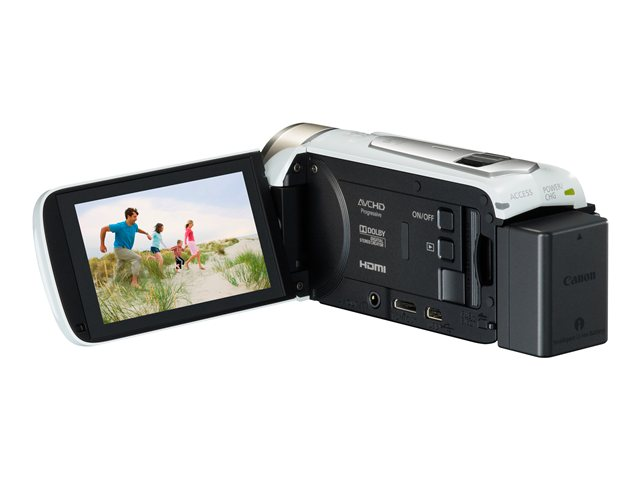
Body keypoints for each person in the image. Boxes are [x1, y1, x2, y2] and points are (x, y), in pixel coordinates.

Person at [99, 207, 152, 288]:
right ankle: (134, 282)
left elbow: (138, 229)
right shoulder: (120, 226)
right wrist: (102, 244)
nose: (136, 219)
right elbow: (103, 229)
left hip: (126, 249)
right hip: (120, 249)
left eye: (136, 217)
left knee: (120, 268)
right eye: (134, 217)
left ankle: (114, 284)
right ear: (128, 216)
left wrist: (146, 233)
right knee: (137, 258)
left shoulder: (134, 225)